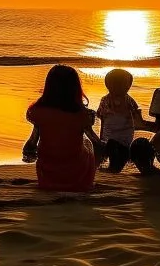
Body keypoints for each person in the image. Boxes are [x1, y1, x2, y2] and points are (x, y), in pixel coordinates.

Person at [25, 64, 105, 192]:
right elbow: (95, 141)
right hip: (76, 175)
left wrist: (29, 152)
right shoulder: (83, 114)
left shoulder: (38, 111)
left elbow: (32, 141)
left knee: (45, 153)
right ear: (75, 88)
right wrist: (105, 147)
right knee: (88, 144)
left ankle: (52, 179)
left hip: (48, 172)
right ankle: (89, 178)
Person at [97, 68, 145, 173]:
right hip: (109, 135)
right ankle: (110, 166)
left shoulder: (129, 101)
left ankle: (114, 167)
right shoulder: (106, 100)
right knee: (109, 149)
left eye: (128, 85)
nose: (127, 87)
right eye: (124, 84)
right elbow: (102, 118)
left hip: (124, 137)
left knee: (118, 153)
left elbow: (137, 120)